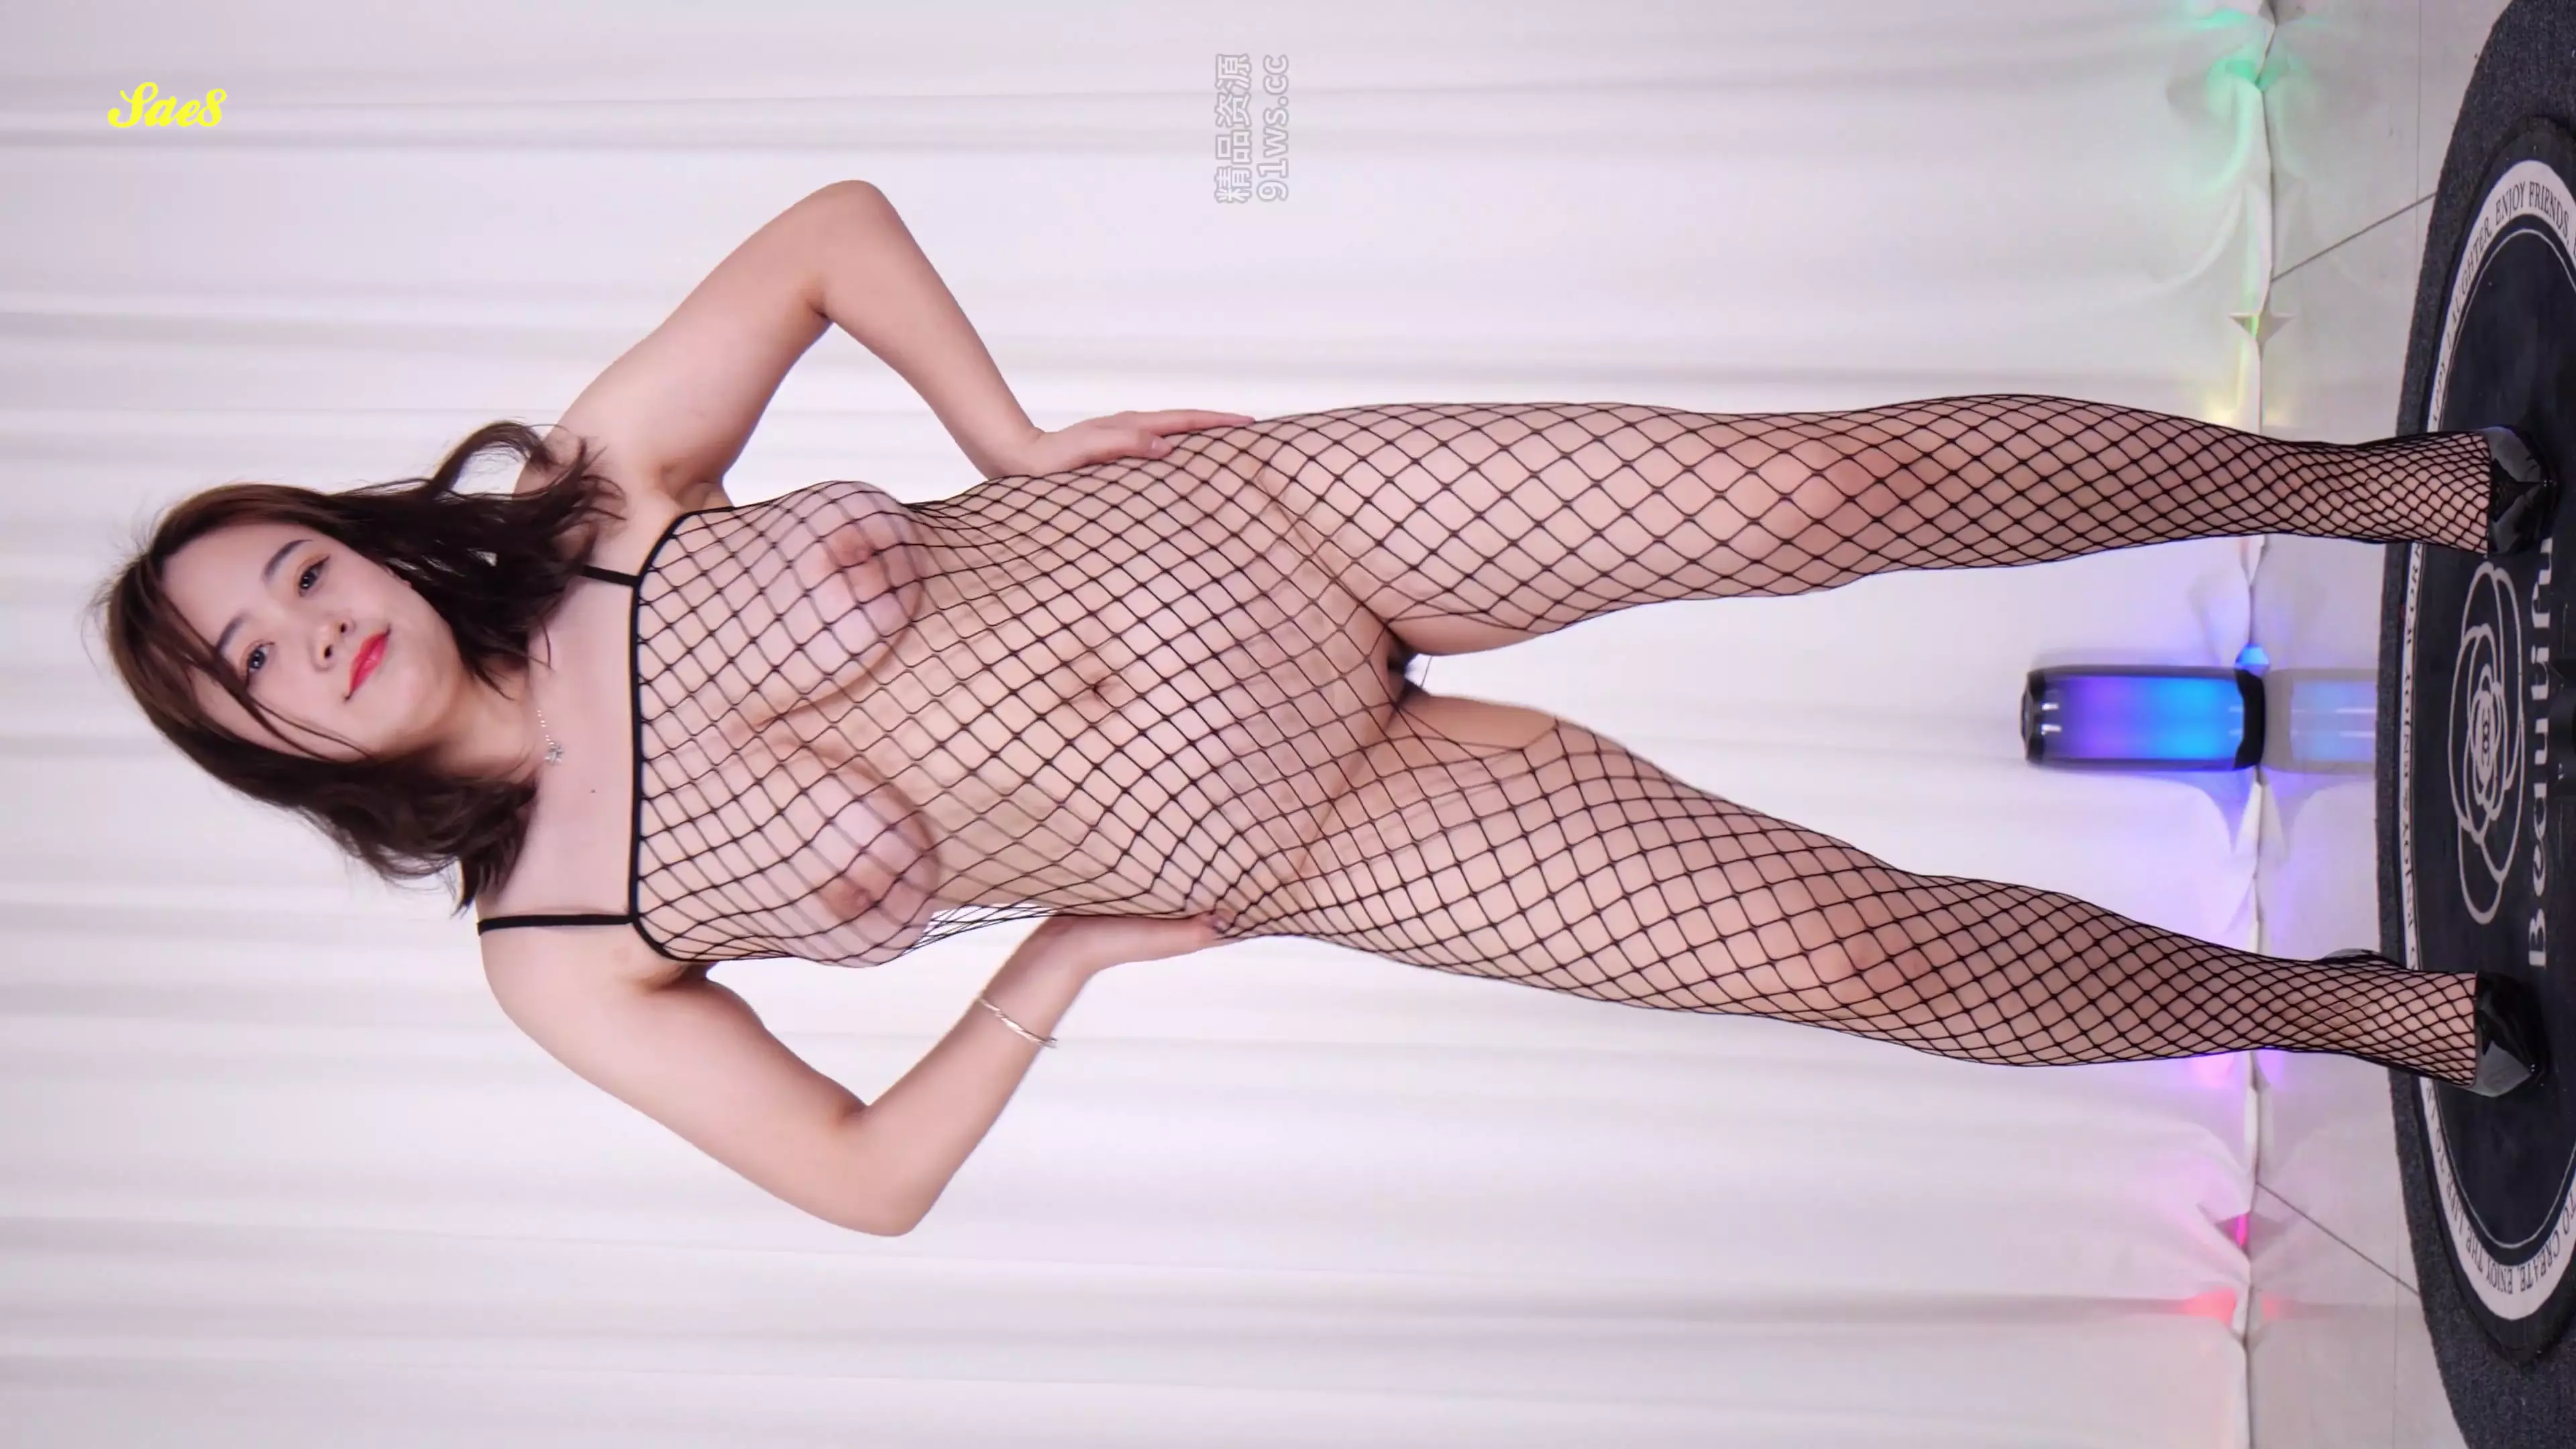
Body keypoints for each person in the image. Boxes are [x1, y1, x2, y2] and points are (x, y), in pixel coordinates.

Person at [91, 180, 2553, 1236]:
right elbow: (857, 1177)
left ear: (350, 532)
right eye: (257, 662)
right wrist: (1055, 967)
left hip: (1271, 531)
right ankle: (2356, 1009)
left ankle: (2385, 487)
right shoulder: (552, 948)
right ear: (262, 745)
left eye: (295, 570)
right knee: (1844, 958)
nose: (315, 629)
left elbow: (829, 233)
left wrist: (1008, 442)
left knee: (1821, 488)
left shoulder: (600, 491)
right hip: (1310, 827)